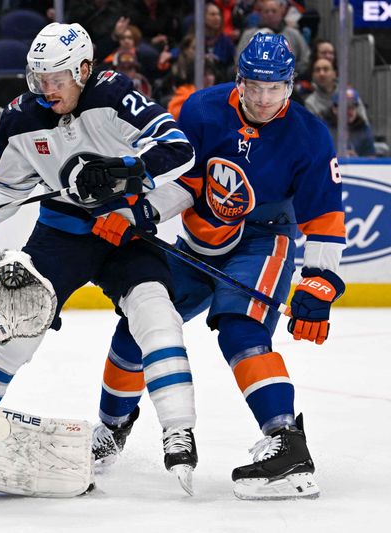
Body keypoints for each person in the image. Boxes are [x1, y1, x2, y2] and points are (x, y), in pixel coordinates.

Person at [94, 33, 344, 500]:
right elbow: (188, 182)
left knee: (241, 329)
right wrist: (142, 213)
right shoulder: (203, 110)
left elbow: (324, 218)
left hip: (262, 241)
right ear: (239, 80)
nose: (265, 98)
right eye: (255, 86)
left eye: (275, 87)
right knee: (138, 325)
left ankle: (286, 443)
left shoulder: (310, 135)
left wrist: (321, 280)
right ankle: (111, 429)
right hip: (197, 240)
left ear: (291, 86)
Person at [0, 22, 199, 491]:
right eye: (39, 78)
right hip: (60, 236)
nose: (47, 89)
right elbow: (6, 187)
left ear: (84, 70)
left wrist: (122, 173)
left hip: (121, 230)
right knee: (17, 326)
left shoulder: (114, 95)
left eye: (58, 79)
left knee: (156, 314)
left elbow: (178, 149)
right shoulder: (20, 118)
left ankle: (179, 431)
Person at [237, 0, 309, 74]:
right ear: (261, 14)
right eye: (266, 11)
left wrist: (290, 71)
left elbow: (306, 59)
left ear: (281, 13)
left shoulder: (294, 34)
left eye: (274, 11)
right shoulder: (248, 35)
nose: (270, 14)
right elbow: (239, 59)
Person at [327, 88, 376, 157]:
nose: (350, 112)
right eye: (345, 107)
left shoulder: (364, 130)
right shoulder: (324, 130)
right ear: (334, 109)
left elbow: (371, 159)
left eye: (353, 107)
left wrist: (356, 160)